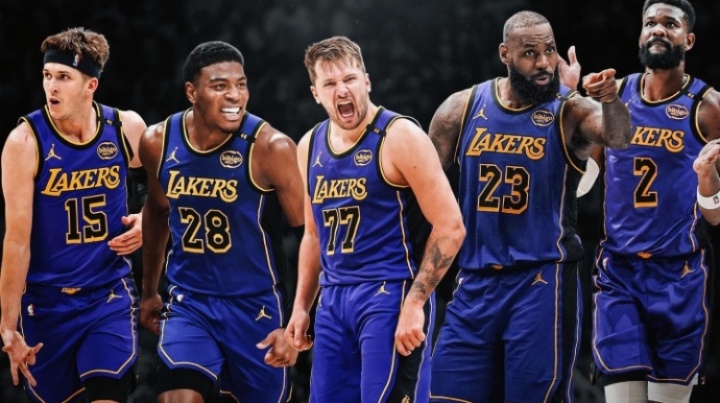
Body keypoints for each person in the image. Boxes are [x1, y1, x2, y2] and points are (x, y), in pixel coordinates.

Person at [427, 10, 631, 402]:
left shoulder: (570, 109)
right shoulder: (460, 108)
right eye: (530, 53)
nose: (543, 62)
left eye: (550, 50)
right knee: (443, 394)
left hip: (540, 282)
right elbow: (419, 185)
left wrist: (609, 99)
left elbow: (619, 137)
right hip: (475, 281)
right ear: (505, 54)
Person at [283, 36, 465, 403]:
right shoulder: (308, 145)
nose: (342, 90)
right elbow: (313, 236)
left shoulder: (400, 136)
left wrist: (415, 304)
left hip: (390, 293)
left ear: (366, 81)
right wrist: (301, 307)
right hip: (333, 301)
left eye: (350, 79)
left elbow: (451, 226)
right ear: (315, 93)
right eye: (330, 83)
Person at [138, 41, 305, 403]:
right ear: (191, 93)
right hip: (190, 301)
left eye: (241, 84)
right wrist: (149, 291)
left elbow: (312, 238)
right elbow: (157, 211)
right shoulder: (157, 141)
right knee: (175, 398)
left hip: (256, 305)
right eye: (219, 86)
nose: (235, 95)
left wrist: (299, 322)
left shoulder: (271, 148)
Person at [0, 27, 146, 402]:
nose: (51, 86)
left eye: (64, 77)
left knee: (108, 393)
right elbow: (16, 241)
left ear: (90, 85)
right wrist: (7, 326)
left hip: (107, 296)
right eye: (47, 75)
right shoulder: (25, 142)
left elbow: (162, 191)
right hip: (47, 303)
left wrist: (148, 218)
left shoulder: (126, 127)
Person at [590, 1, 720, 402]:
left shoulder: (709, 107)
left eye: (670, 23)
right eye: (649, 23)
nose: (658, 29)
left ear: (689, 39)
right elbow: (581, 182)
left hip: (679, 274)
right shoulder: (615, 95)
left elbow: (716, 215)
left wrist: (706, 177)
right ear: (640, 35)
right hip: (619, 273)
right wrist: (567, 104)